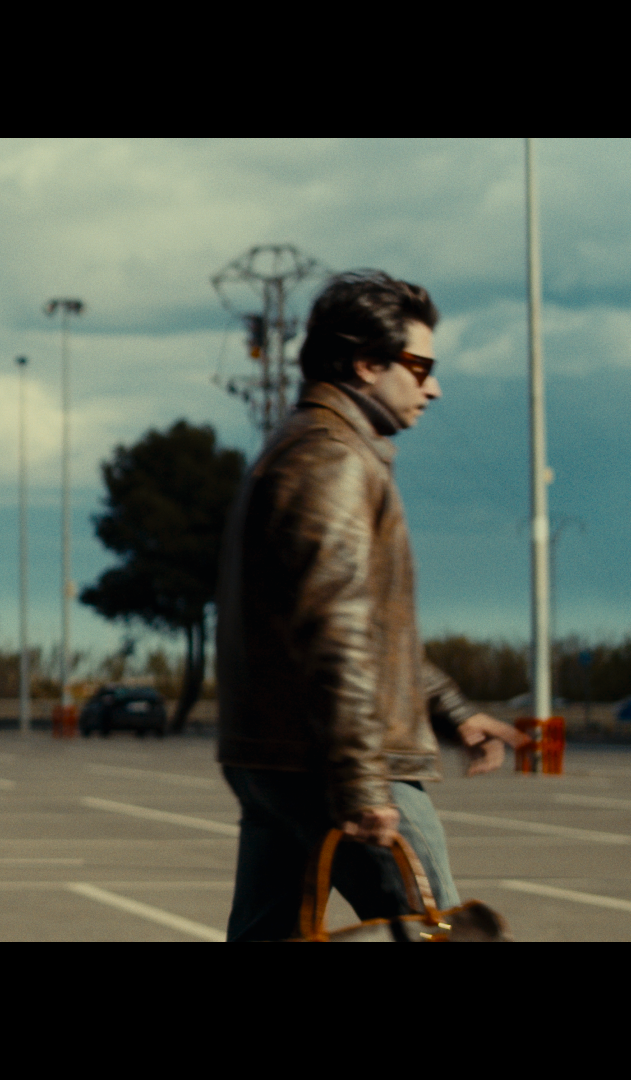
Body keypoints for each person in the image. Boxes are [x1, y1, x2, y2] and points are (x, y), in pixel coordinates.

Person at [215, 270, 526, 941]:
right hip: (341, 759)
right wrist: (360, 781)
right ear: (365, 364)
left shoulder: (301, 448)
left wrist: (451, 710)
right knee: (435, 933)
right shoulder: (331, 460)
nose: (432, 388)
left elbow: (361, 628)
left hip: (280, 755)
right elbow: (337, 631)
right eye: (420, 368)